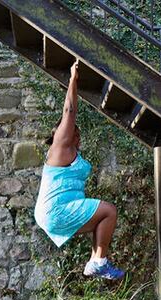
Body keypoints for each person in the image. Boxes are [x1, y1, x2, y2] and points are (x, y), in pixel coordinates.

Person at [33, 60, 125, 280]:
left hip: (55, 210)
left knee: (101, 219)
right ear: (66, 134)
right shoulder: (60, 147)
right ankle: (98, 262)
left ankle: (97, 261)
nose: (79, 136)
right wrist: (73, 79)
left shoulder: (70, 151)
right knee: (109, 211)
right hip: (55, 210)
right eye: (76, 133)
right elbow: (69, 112)